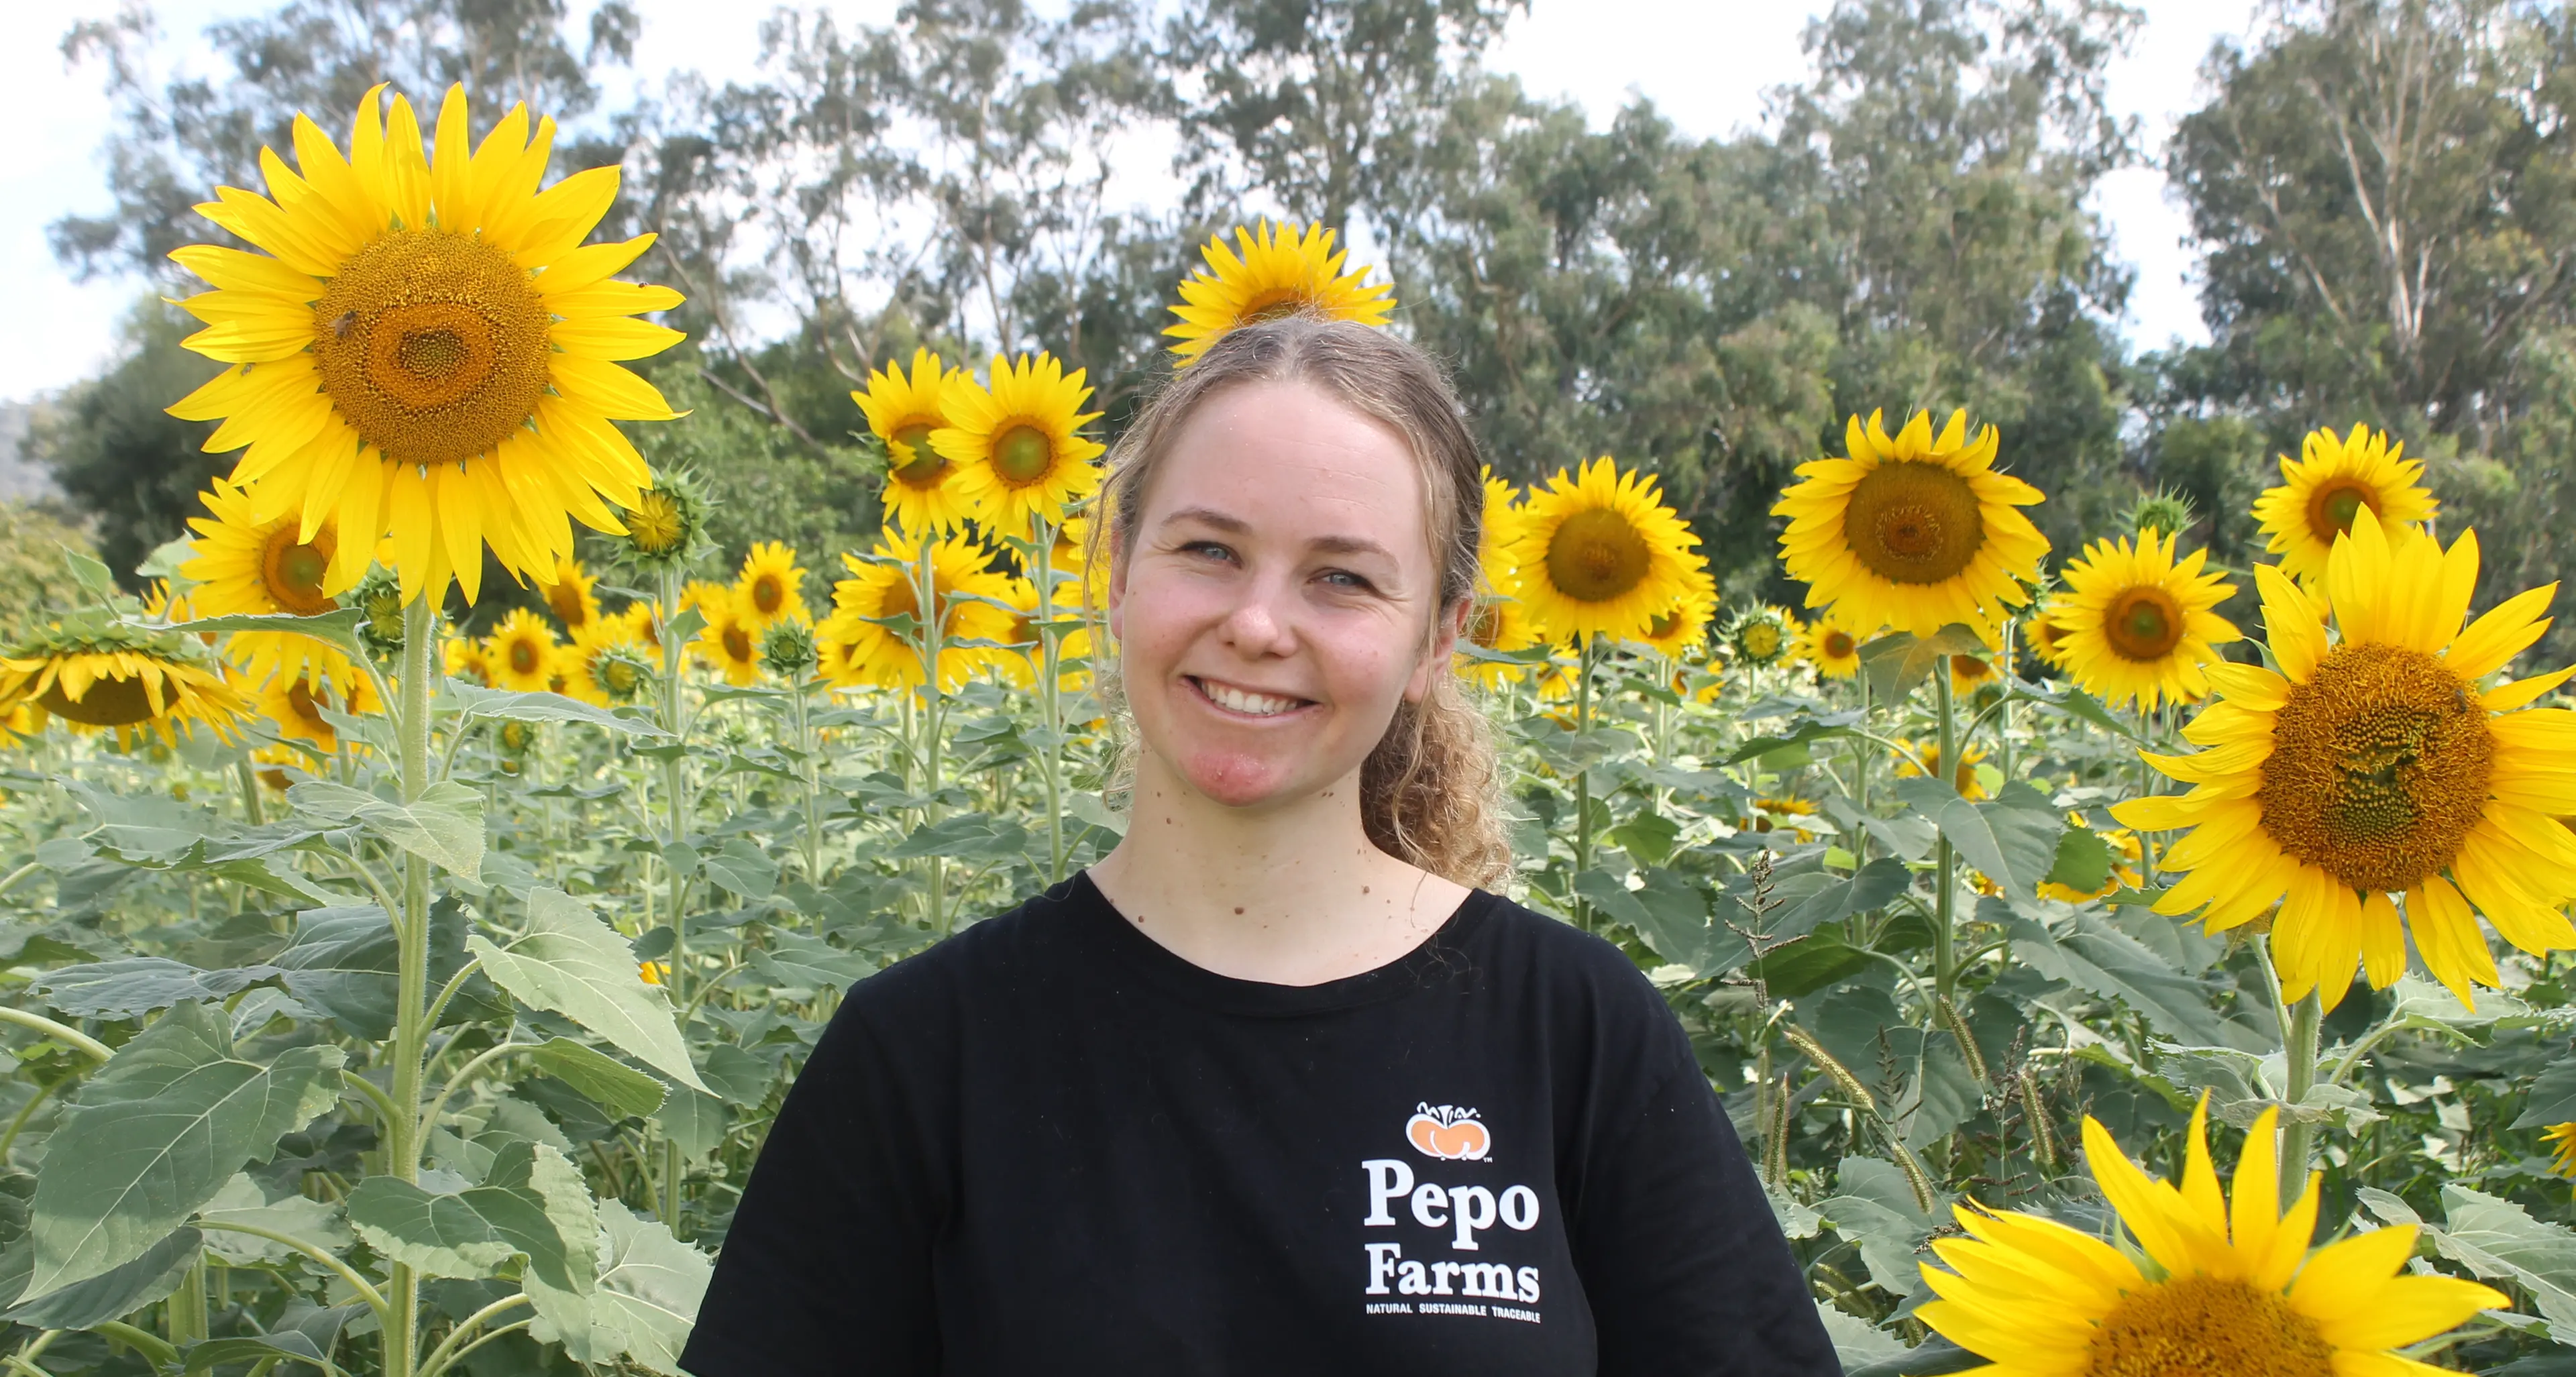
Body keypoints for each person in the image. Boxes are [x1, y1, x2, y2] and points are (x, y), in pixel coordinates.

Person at [680, 317, 1839, 1376]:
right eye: (1209, 551)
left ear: (1437, 640)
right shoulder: (923, 1054)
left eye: (1341, 577)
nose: (1258, 625)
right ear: (1120, 575)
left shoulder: (1572, 1033)